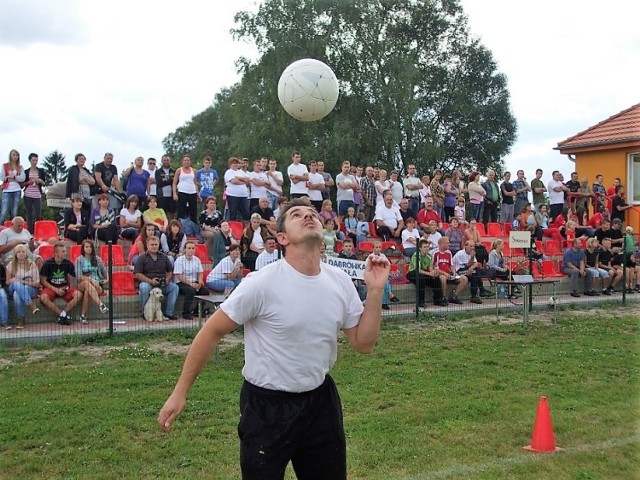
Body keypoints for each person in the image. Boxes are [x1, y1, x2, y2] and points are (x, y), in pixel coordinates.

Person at [158, 199, 390, 479]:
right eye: (296, 215)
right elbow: (211, 332)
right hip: (266, 408)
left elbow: (363, 343)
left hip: (320, 404)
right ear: (282, 238)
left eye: (312, 214)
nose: (308, 216)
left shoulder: (339, 281)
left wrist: (375, 291)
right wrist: (180, 392)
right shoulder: (261, 283)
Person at [134, 235, 179, 320]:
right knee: (143, 287)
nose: (154, 246)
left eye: (156, 244)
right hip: (148, 283)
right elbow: (137, 274)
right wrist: (150, 281)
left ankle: (169, 313)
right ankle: (145, 313)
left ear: (159, 245)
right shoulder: (142, 257)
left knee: (174, 287)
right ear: (147, 245)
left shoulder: (164, 257)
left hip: (162, 284)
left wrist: (167, 279)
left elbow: (170, 271)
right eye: (152, 244)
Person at [39, 243, 82, 325]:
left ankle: (63, 313)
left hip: (64, 287)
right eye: (63, 251)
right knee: (43, 298)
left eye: (65, 251)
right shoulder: (48, 264)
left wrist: (67, 288)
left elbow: (75, 276)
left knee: (78, 294)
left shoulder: (67, 263)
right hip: (51, 287)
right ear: (56, 253)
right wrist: (56, 289)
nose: (66, 253)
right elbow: (43, 281)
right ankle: (61, 314)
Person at [6, 244, 40, 329]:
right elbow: (7, 282)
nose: (21, 253)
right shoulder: (11, 265)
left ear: (26, 253)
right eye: (19, 252)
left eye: (23, 252)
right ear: (15, 254)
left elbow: (37, 284)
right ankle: (31, 305)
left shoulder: (32, 264)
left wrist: (22, 281)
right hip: (12, 287)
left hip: (30, 289)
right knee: (16, 284)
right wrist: (15, 281)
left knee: (16, 295)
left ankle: (21, 319)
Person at [74, 239, 109, 323]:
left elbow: (105, 272)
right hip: (83, 283)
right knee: (87, 284)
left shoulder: (97, 259)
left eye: (90, 247)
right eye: (86, 247)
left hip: (97, 285)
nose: (89, 248)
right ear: (83, 248)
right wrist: (92, 280)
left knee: (87, 292)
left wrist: (107, 280)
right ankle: (101, 304)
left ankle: (83, 316)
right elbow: (79, 276)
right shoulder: (79, 260)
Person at [174, 241, 209, 320]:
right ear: (185, 250)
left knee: (205, 290)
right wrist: (191, 284)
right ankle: (186, 312)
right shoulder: (179, 260)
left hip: (194, 281)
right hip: (181, 282)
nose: (191, 250)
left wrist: (200, 281)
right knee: (190, 290)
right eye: (189, 248)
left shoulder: (197, 260)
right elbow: (179, 276)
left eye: (193, 248)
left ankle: (197, 311)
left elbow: (200, 272)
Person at [406, 238, 445, 307]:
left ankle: (438, 300)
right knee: (421, 279)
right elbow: (417, 270)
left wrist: (433, 273)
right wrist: (429, 274)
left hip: (423, 273)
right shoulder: (416, 255)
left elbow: (430, 269)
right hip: (412, 273)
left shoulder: (429, 256)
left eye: (428, 247)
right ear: (420, 248)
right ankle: (421, 302)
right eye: (425, 247)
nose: (427, 248)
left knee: (436, 279)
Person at [66, 153, 96, 217]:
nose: (82, 160)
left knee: (87, 211)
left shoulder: (86, 170)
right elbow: (76, 180)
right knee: (78, 210)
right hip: (77, 192)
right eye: (80, 159)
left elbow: (93, 182)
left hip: (87, 194)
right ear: (76, 160)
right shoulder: (73, 169)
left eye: (83, 159)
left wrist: (85, 179)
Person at [1, 149, 26, 224]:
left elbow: (22, 178)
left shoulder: (20, 167)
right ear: (10, 156)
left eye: (17, 155)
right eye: (14, 155)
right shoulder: (5, 165)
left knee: (15, 210)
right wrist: (7, 177)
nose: (15, 157)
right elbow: (2, 177)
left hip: (17, 189)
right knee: (4, 210)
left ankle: (13, 226)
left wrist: (14, 177)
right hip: (7, 189)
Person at [23, 153, 47, 229]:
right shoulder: (26, 171)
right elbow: (23, 183)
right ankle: (30, 231)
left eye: (36, 160)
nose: (35, 162)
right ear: (30, 161)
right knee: (29, 214)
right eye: (33, 160)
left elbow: (44, 183)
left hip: (37, 195)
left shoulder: (41, 171)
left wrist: (40, 181)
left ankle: (38, 230)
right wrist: (29, 182)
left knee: (38, 215)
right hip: (28, 194)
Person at [172, 155, 199, 223]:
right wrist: (174, 193)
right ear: (182, 162)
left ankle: (194, 228)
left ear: (190, 162)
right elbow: (174, 183)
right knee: (181, 211)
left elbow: (195, 183)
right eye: (185, 160)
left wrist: (198, 194)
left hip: (192, 192)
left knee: (193, 212)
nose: (186, 162)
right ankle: (179, 227)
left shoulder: (194, 171)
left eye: (188, 160)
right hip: (182, 192)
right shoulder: (179, 170)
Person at [224, 157, 251, 222]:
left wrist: (238, 177)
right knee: (233, 214)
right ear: (230, 164)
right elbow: (234, 181)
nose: (235, 164)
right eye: (234, 163)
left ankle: (246, 229)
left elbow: (248, 180)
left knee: (246, 214)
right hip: (233, 196)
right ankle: (233, 229)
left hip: (243, 196)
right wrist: (243, 181)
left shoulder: (241, 172)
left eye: (237, 163)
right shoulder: (228, 172)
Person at [156, 155, 177, 220]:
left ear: (170, 161)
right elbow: (159, 183)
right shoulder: (158, 171)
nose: (166, 162)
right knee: (162, 213)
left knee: (172, 212)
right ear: (162, 161)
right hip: (161, 195)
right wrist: (170, 179)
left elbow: (176, 182)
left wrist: (165, 179)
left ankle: (171, 227)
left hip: (171, 195)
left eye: (167, 160)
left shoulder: (174, 171)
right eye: (164, 160)